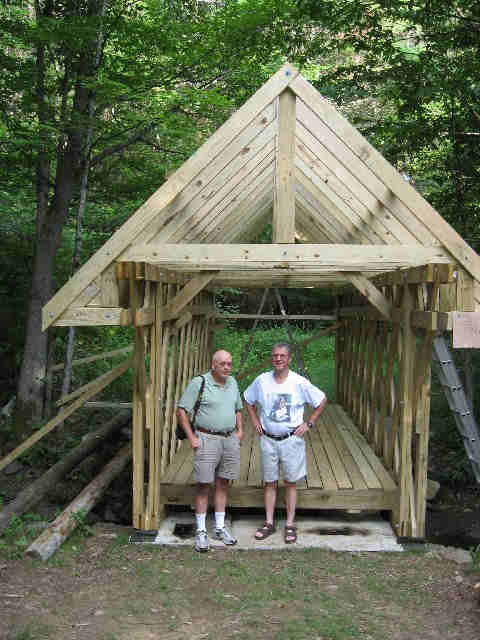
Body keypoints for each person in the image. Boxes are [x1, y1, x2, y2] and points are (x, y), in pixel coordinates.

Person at [244, 343, 327, 544]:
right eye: (275, 356)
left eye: (282, 356)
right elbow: (247, 399)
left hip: (291, 440)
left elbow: (321, 399)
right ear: (271, 358)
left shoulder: (299, 382)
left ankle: (289, 524)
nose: (278, 359)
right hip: (268, 439)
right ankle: (269, 522)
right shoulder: (262, 380)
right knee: (270, 483)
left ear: (289, 359)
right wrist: (254, 420)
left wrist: (309, 423)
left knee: (290, 482)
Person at [176, 350, 243, 552]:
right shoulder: (199, 382)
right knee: (204, 485)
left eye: (230, 364)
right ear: (213, 365)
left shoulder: (232, 382)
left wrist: (240, 431)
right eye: (223, 364)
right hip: (206, 438)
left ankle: (220, 528)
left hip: (229, 439)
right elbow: (181, 410)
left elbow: (238, 408)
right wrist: (192, 437)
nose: (227, 367)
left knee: (223, 483)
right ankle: (201, 531)